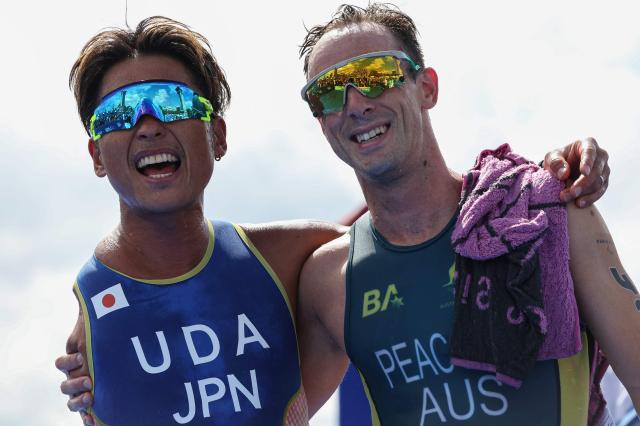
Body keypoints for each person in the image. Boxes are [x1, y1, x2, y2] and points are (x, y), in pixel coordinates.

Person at [55, 13, 613, 426]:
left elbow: (423, 229)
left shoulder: (536, 208)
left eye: (173, 103)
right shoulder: (325, 273)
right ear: (95, 154)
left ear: (218, 136)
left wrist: (550, 178)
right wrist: (103, 320)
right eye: (120, 113)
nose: (148, 125)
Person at [295, 3, 638, 425]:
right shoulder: (328, 282)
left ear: (427, 88)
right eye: (327, 92)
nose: (353, 103)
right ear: (320, 120)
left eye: (374, 75)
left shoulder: (545, 213)